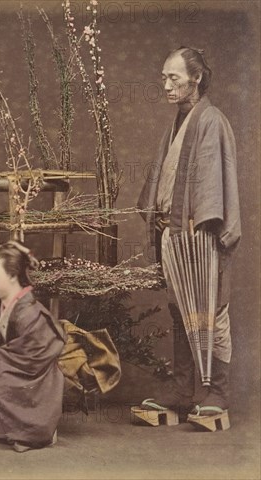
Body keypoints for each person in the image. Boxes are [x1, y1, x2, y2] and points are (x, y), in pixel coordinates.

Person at [135, 47, 241, 428]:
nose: (165, 84)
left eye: (173, 78)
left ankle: (217, 393)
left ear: (196, 79)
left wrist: (203, 223)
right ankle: (182, 389)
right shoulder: (177, 124)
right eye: (163, 77)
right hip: (174, 230)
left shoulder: (212, 121)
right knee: (181, 310)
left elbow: (215, 179)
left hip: (202, 232)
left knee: (211, 311)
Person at [0, 241, 65, 452]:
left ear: (12, 275)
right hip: (24, 370)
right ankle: (2, 429)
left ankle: (33, 430)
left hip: (39, 380)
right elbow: (6, 343)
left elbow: (33, 356)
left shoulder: (30, 313)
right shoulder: (10, 306)